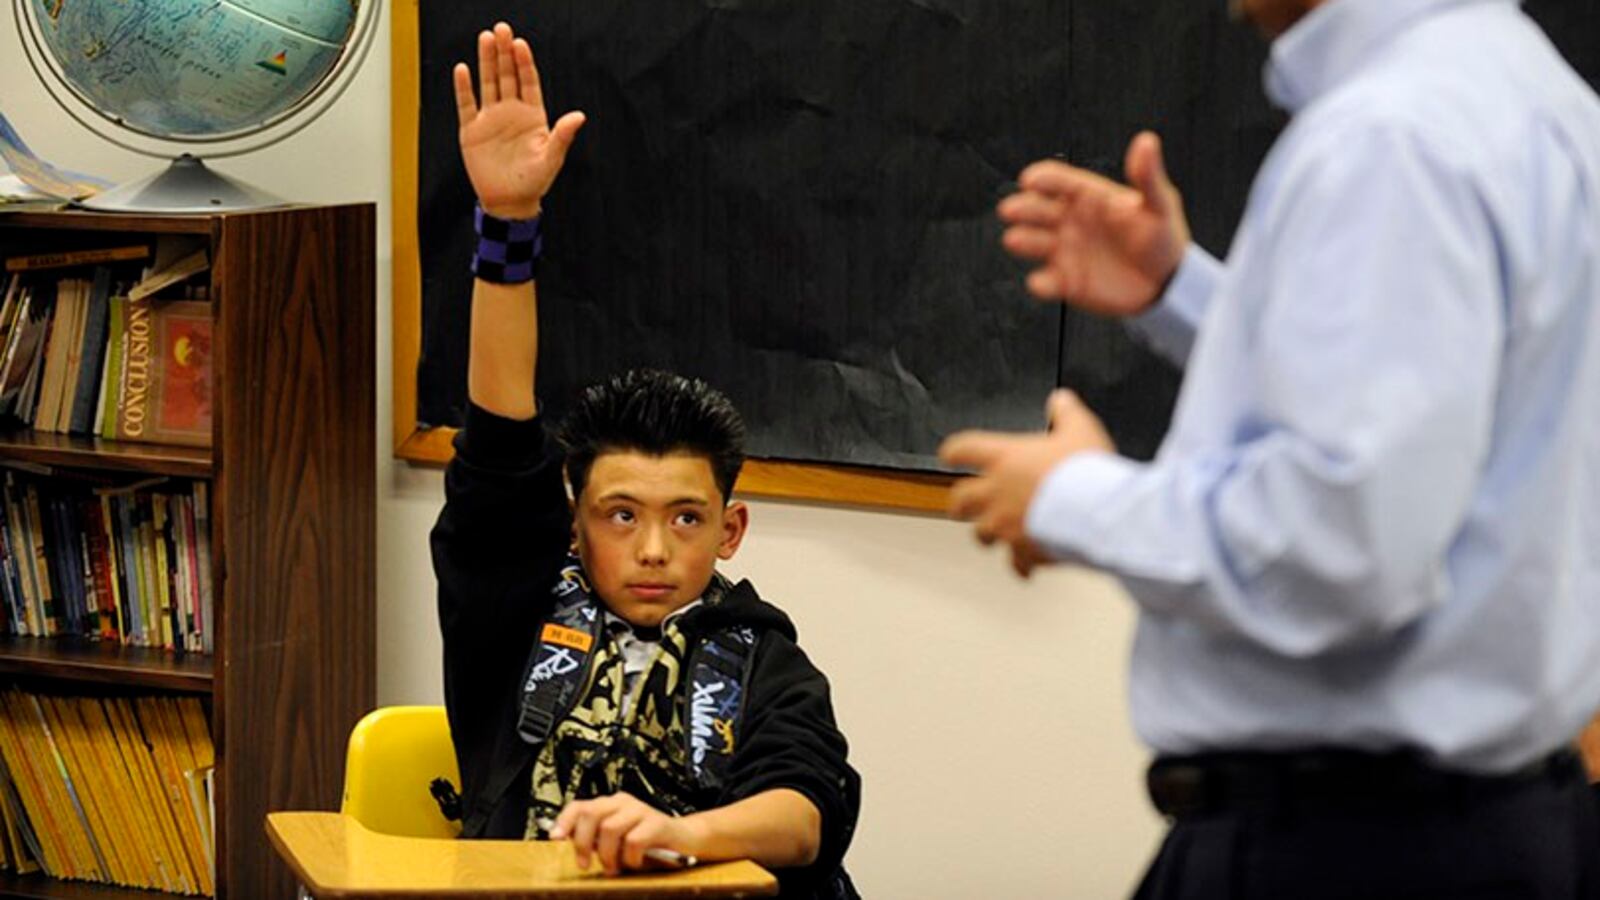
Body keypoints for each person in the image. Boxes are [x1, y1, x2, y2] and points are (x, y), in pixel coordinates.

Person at [941, 0, 1600, 896]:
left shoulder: (1391, 137)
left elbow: (1344, 542)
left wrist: (1072, 498)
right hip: (1478, 827)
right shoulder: (1533, 97)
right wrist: (1182, 293)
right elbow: (1445, 408)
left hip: (1349, 851)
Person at [429, 23, 860, 898]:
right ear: (574, 520)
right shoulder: (513, 611)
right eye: (621, 515)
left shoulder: (762, 655)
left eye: (686, 518)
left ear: (730, 530)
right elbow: (499, 432)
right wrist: (508, 223)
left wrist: (677, 836)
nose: (653, 550)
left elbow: (803, 815)